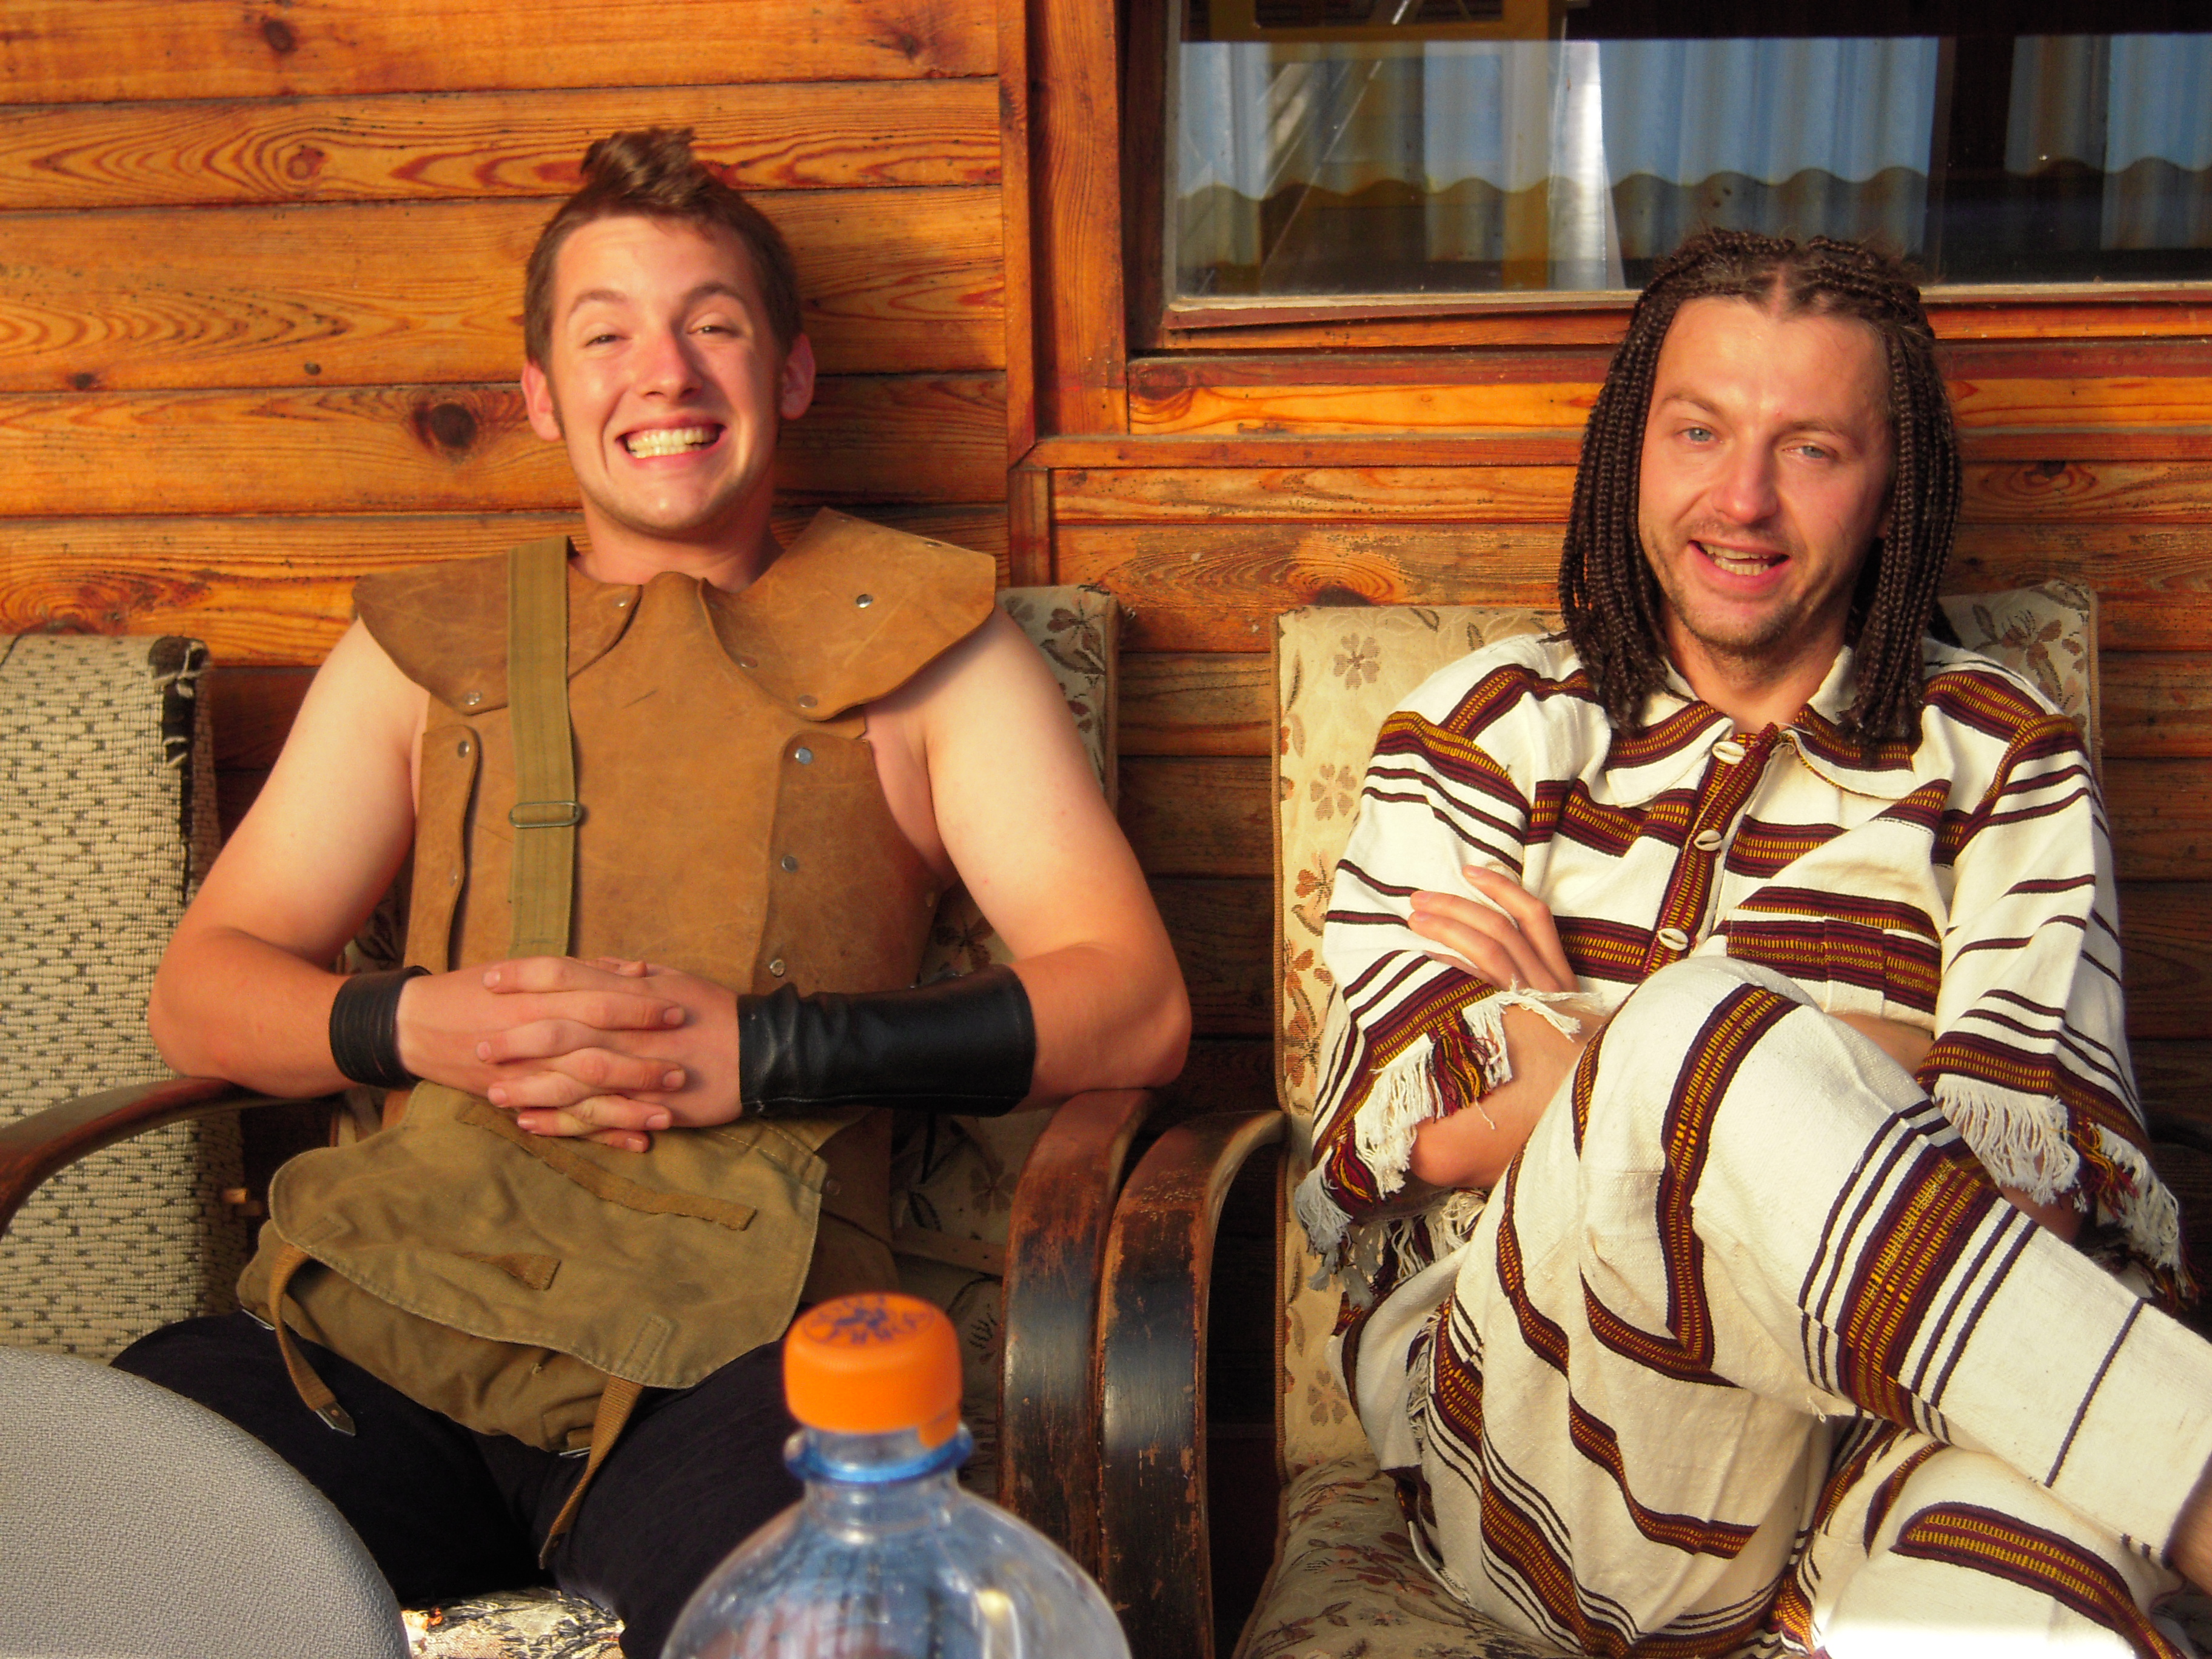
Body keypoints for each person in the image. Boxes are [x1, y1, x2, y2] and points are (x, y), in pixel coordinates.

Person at [116, 129, 1188, 1657]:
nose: (664, 374)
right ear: (543, 394)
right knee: (101, 1523)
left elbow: (1135, 1004)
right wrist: (419, 1025)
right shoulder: (420, 649)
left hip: (737, 1360)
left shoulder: (934, 644)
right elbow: (202, 988)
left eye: (714, 326)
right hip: (390, 1321)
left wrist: (766, 1050)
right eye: (606, 334)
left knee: (831, 1630)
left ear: (791, 374)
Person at [1297, 229, 2212, 1656]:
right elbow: (1417, 1140)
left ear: (1891, 487)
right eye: (1700, 431)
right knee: (1694, 1034)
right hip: (1556, 1451)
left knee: (2044, 1589)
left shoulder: (2004, 763)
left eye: (1813, 450)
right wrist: (1859, 1057)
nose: (1742, 498)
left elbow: (2035, 1201)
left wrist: (1584, 1056)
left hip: (1904, 1438)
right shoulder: (1483, 732)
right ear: (1632, 449)